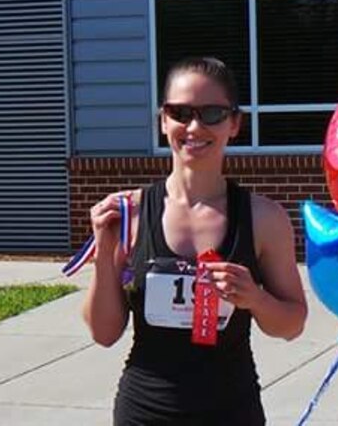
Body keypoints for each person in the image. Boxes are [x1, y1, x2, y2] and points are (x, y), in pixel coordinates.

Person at [82, 56, 308, 425]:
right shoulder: (129, 214)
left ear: (235, 123)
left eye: (212, 114)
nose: (194, 126)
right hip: (144, 412)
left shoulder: (264, 218)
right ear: (162, 120)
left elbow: (292, 324)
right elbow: (105, 333)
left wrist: (255, 298)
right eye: (180, 112)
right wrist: (103, 253)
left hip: (231, 412)